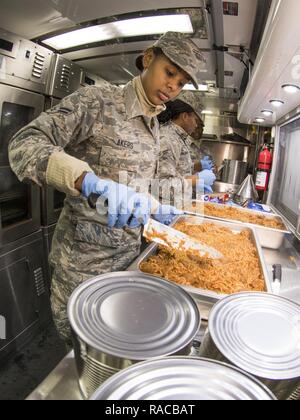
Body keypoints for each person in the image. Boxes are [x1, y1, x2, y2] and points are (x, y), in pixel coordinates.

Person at [8, 32, 205, 345]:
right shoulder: (98, 102)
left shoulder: (154, 124)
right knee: (84, 355)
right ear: (149, 57)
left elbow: (132, 184)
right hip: (83, 266)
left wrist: (153, 207)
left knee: (116, 350)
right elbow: (24, 143)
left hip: (127, 262)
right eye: (170, 73)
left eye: (180, 83)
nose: (172, 86)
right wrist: (86, 180)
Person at [158, 90, 216, 207]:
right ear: (185, 116)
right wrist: (196, 179)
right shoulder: (168, 138)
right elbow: (161, 186)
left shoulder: (178, 138)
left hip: (177, 206)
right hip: (165, 210)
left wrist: (196, 166)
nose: (196, 125)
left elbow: (176, 169)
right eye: (195, 120)